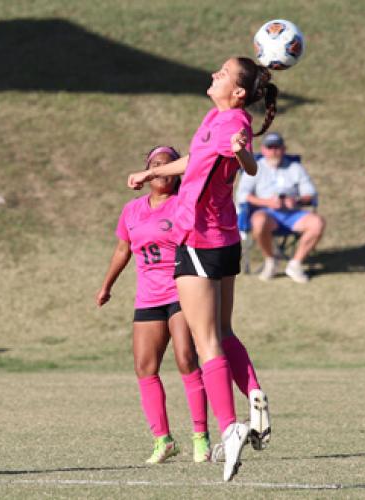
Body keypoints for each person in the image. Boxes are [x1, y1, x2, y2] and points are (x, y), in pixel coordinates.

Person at [127, 57, 276, 481]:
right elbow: (194, 161)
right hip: (224, 238)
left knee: (205, 339)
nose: (215, 74)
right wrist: (152, 171)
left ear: (240, 91)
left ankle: (230, 429)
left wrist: (243, 153)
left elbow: (249, 164)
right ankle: (254, 392)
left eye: (224, 73)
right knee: (223, 332)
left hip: (200, 239)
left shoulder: (235, 122)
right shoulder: (216, 116)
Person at [96, 146, 211, 465]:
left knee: (187, 359)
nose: (161, 170)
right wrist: (107, 286)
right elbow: (123, 250)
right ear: (146, 172)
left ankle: (201, 437)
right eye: (155, 165)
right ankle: (163, 440)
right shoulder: (132, 210)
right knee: (145, 368)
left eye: (168, 166)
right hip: (148, 297)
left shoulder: (183, 204)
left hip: (180, 291)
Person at [236, 132, 326, 283]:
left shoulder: (295, 167)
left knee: (318, 223)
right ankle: (270, 261)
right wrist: (267, 202)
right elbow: (242, 195)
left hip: (292, 213)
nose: (274, 151)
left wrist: (296, 201)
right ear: (263, 150)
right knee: (259, 221)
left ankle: (295, 264)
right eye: (270, 147)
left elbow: (310, 193)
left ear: (284, 149)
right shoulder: (254, 166)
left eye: (277, 147)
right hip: (266, 213)